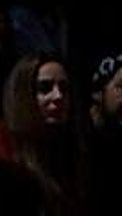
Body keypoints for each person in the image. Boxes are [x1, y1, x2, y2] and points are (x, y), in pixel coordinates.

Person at [1, 53, 88, 215]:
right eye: (45, 88)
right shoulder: (6, 158)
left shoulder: (75, 155)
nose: (58, 96)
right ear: (23, 95)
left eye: (64, 88)